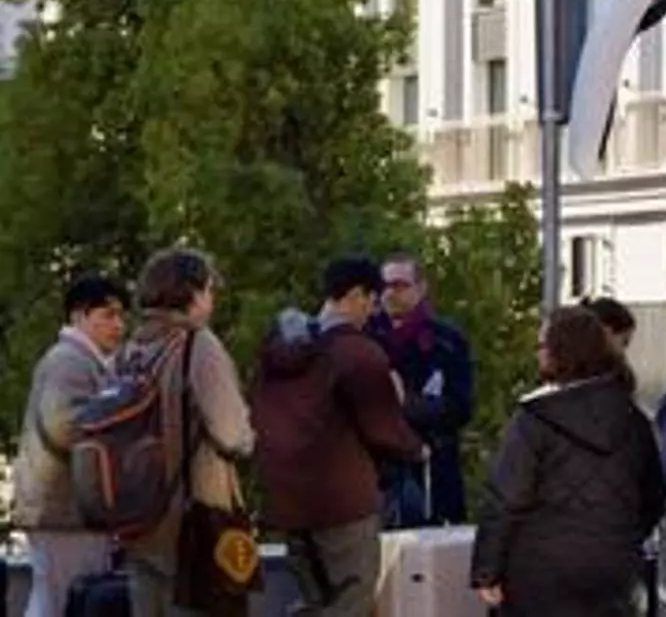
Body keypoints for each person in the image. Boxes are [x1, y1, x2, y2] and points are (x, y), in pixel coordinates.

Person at [253, 255, 427, 616]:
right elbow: (383, 427)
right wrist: (416, 449)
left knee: (311, 604)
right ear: (356, 295)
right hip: (344, 503)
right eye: (372, 301)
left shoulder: (278, 354)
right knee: (351, 603)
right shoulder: (356, 352)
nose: (372, 312)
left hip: (288, 504)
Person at [470, 306, 666, 617]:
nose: (537, 353)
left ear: (559, 352)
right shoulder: (634, 418)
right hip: (613, 564)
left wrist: (487, 570)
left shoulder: (535, 418)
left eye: (541, 345)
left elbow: (505, 498)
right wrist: (622, 536)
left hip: (540, 567)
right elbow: (655, 494)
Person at [123, 248, 255, 617]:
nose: (212, 300)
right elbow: (232, 435)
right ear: (192, 294)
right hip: (197, 519)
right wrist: (249, 434)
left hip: (141, 520)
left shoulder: (133, 350)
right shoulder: (198, 346)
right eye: (209, 290)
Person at [11, 274, 130, 617]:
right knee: (60, 602)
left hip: (65, 512)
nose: (118, 325)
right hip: (64, 510)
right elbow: (64, 426)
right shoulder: (69, 361)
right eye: (108, 315)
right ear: (79, 316)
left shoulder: (86, 361)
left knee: (56, 600)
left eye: (121, 316)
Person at [369, 251, 472, 527]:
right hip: (377, 474)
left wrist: (407, 404)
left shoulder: (447, 342)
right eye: (385, 286)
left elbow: (461, 407)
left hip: (433, 469)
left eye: (400, 285)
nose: (390, 293)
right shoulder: (366, 338)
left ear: (420, 288)